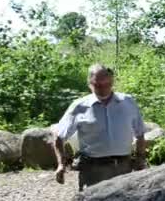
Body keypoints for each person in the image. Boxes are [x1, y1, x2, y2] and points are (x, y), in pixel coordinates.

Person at [53, 63, 147, 191]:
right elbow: (59, 137)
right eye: (98, 85)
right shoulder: (79, 106)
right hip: (92, 170)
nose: (103, 89)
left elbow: (140, 133)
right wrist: (61, 164)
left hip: (124, 168)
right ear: (89, 84)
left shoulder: (127, 102)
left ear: (112, 82)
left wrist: (140, 158)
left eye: (107, 84)